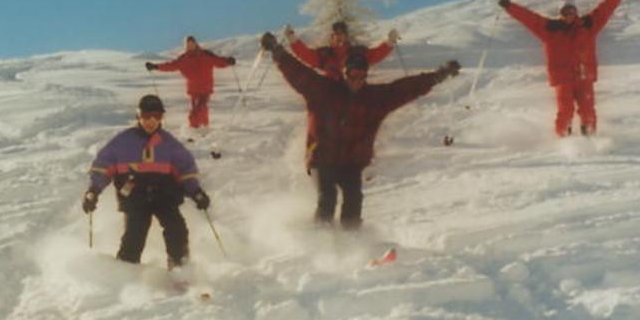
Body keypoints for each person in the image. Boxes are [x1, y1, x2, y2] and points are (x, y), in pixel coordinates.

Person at [260, 32, 460, 227]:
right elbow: (298, 72)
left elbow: (405, 88)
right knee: (328, 198)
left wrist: (439, 75)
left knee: (354, 198)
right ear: (345, 73)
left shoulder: (374, 99)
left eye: (362, 77)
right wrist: (277, 50)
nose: (357, 81)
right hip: (321, 157)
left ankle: (351, 241)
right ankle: (318, 241)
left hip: (351, 162)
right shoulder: (322, 90)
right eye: (353, 75)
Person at [497, 0, 636, 137]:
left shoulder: (588, 25)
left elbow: (607, 7)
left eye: (571, 11)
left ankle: (590, 138)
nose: (569, 14)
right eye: (565, 11)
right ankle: (564, 140)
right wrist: (509, 6)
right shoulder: (550, 29)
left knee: (588, 110)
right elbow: (530, 19)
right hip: (563, 78)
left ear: (576, 12)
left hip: (584, 76)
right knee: (565, 111)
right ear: (561, 13)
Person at [81, 94, 210, 268]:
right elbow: (103, 167)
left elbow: (186, 169)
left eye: (157, 116)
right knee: (135, 234)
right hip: (135, 198)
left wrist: (196, 192)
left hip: (165, 196)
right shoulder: (123, 142)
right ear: (138, 116)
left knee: (177, 229)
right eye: (146, 116)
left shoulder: (168, 143)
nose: (151, 121)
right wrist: (93, 191)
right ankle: (125, 272)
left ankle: (180, 271)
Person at [145, 36, 236, 135]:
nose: (190, 46)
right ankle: (204, 129)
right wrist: (156, 67)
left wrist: (228, 61)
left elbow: (218, 61)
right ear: (186, 46)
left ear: (196, 44)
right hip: (194, 91)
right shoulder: (184, 59)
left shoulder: (206, 55)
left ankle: (194, 131)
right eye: (188, 44)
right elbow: (170, 66)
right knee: (200, 110)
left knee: (197, 111)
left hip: (205, 89)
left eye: (192, 43)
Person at [283, 20, 399, 80]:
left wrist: (390, 42)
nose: (339, 36)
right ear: (331, 37)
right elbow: (305, 54)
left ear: (346, 36)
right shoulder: (324, 54)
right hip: (331, 97)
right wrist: (292, 38)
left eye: (342, 33)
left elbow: (376, 54)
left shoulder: (357, 53)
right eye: (336, 34)